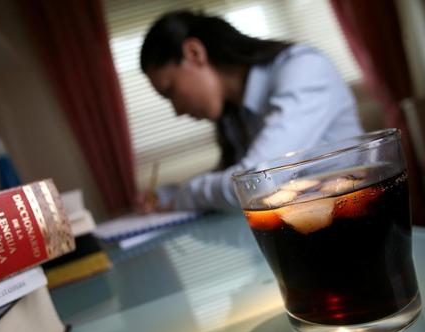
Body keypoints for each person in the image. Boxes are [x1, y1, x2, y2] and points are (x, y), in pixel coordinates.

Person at [139, 10, 363, 211]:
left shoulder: (303, 68)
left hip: (354, 211)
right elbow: (231, 175)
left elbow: (256, 182)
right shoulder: (236, 112)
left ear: (194, 52)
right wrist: (167, 194)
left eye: (170, 90)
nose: (177, 110)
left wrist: (182, 197)